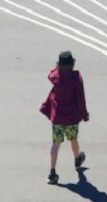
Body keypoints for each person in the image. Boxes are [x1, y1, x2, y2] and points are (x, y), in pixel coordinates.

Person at [39, 51, 89, 184]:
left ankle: (52, 172)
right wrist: (84, 114)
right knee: (73, 139)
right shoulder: (77, 78)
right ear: (72, 64)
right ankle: (77, 158)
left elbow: (50, 74)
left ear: (59, 64)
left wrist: (56, 68)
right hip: (72, 117)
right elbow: (81, 99)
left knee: (56, 144)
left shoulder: (55, 76)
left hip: (58, 118)